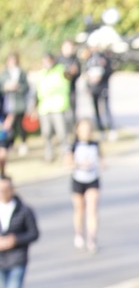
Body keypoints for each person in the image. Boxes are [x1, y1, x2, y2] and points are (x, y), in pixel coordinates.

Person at [0, 176, 40, 288]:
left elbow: (34, 233)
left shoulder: (24, 210)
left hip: (18, 259)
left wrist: (15, 240)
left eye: (5, 189)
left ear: (12, 189)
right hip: (1, 260)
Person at [66, 118, 104, 252]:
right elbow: (68, 162)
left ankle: (92, 237)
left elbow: (102, 159)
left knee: (92, 209)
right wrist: (80, 164)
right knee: (79, 209)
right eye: (83, 130)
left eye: (88, 130)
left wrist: (101, 164)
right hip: (78, 179)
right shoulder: (74, 145)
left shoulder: (95, 144)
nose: (86, 132)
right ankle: (79, 233)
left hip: (92, 179)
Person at [34, 53, 72, 162]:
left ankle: (65, 153)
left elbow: (68, 76)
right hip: (45, 108)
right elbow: (38, 92)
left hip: (58, 106)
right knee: (46, 133)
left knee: (62, 133)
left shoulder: (60, 70)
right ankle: (49, 154)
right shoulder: (41, 73)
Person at [83, 46, 115, 140]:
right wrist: (88, 83)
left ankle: (111, 129)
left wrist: (101, 77)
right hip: (93, 88)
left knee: (106, 109)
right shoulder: (88, 58)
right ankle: (101, 130)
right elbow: (85, 72)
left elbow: (109, 71)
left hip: (103, 87)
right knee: (96, 110)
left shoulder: (104, 57)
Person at [2, 53, 30, 158]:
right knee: (9, 126)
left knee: (21, 125)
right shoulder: (4, 73)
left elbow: (26, 87)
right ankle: (10, 144)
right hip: (8, 104)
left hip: (20, 103)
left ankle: (23, 143)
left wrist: (18, 87)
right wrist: (6, 87)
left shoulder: (21, 73)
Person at [59, 39, 82, 121]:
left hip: (71, 89)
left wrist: (74, 72)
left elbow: (79, 73)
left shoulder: (75, 59)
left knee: (73, 111)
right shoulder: (58, 59)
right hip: (60, 91)